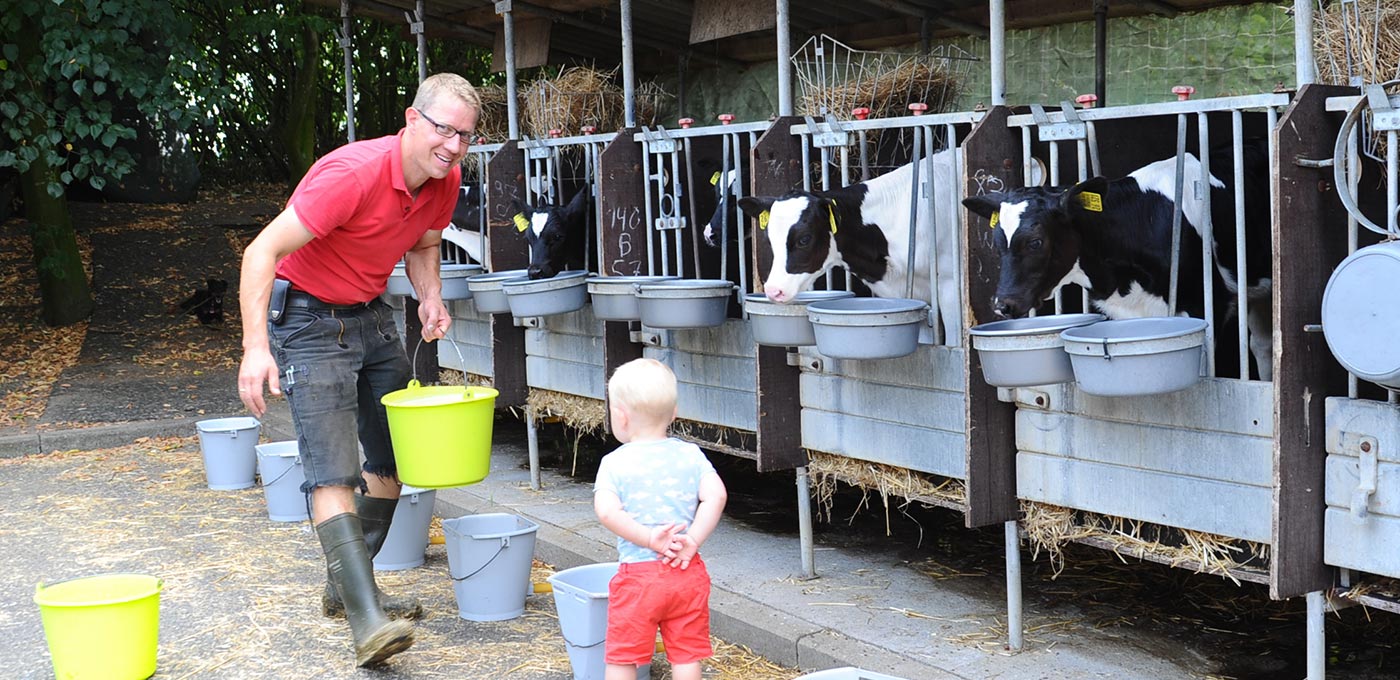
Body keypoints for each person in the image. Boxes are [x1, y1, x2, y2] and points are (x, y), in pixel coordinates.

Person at [236, 73, 480, 667]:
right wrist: (255, 347)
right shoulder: (351, 174)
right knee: (332, 470)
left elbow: (422, 244)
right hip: (307, 319)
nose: (452, 144)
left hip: (370, 315)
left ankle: (347, 590)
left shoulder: (443, 181)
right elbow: (260, 252)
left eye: (465, 135)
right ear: (412, 119)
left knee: (397, 454)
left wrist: (430, 296)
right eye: (443, 128)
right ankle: (368, 620)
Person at [593, 358, 729, 680]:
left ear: (621, 417)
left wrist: (649, 538)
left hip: (639, 577)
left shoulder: (614, 463)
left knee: (623, 656)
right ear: (674, 413)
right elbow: (717, 496)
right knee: (685, 655)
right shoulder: (691, 454)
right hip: (685, 571)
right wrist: (692, 541)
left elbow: (607, 512)